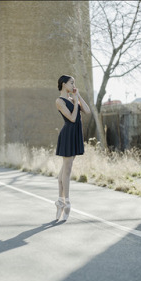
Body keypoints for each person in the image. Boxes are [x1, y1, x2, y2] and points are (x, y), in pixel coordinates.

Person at [54, 75, 91, 221]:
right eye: (71, 83)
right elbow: (72, 118)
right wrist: (75, 103)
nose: (73, 85)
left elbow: (87, 111)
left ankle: (59, 202)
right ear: (64, 84)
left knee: (63, 171)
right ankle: (67, 202)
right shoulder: (59, 101)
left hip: (76, 135)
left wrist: (78, 96)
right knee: (67, 170)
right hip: (68, 134)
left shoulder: (72, 99)